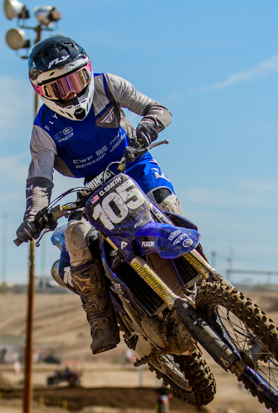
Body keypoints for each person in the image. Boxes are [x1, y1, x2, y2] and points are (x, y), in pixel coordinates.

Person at [14, 35, 179, 354]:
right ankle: (101, 318)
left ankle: (198, 275)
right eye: (58, 88)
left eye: (75, 81)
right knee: (75, 235)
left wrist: (149, 124)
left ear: (87, 71)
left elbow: (158, 109)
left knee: (167, 203)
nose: (71, 93)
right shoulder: (44, 127)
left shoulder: (108, 85)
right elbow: (39, 178)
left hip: (133, 162)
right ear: (42, 92)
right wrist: (34, 216)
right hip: (92, 186)